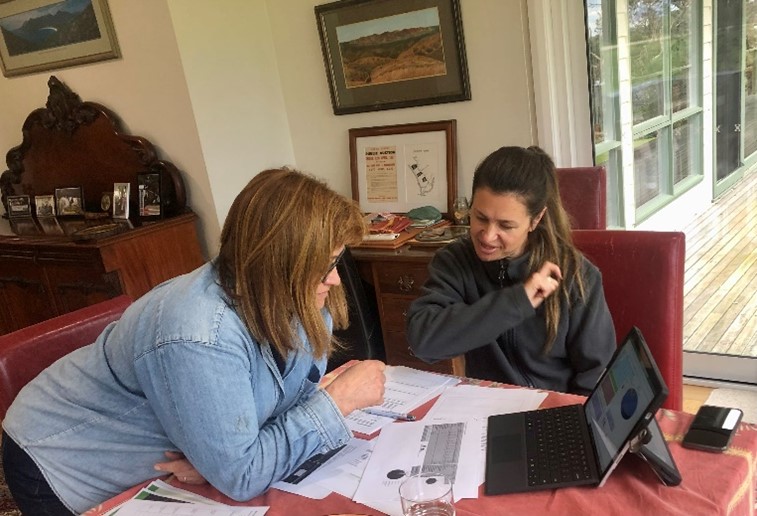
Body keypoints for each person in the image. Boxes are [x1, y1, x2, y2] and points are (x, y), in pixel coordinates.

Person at [1, 167, 387, 514]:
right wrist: (337, 403)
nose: (334, 280)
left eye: (335, 262)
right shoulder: (200, 334)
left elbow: (277, 410)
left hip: (165, 450)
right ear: (275, 266)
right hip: (62, 457)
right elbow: (243, 478)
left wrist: (216, 462)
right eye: (321, 267)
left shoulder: (297, 295)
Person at [406, 146, 615, 395]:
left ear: (535, 220)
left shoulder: (576, 275)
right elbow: (423, 341)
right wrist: (517, 302)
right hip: (487, 408)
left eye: (505, 225)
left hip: (554, 411)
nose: (488, 235)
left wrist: (573, 419)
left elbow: (598, 376)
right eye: (480, 217)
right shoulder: (454, 261)